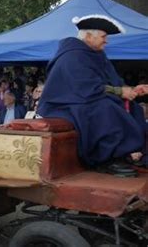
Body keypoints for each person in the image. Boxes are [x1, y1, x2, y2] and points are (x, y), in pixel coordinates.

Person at [37, 14, 147, 173]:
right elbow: (85, 87)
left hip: (87, 99)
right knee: (107, 109)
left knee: (133, 108)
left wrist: (131, 90)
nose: (106, 41)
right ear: (88, 36)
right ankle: (104, 159)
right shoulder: (72, 55)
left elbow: (111, 81)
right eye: (103, 37)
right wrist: (119, 92)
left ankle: (123, 154)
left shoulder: (97, 54)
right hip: (64, 105)